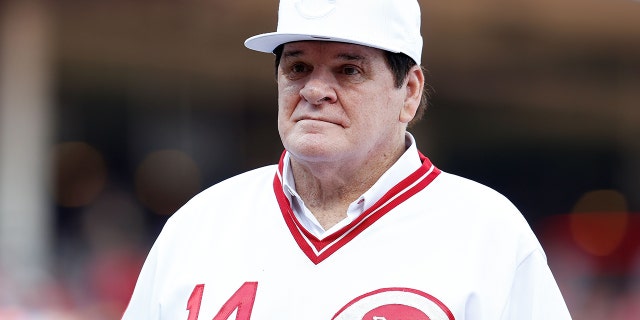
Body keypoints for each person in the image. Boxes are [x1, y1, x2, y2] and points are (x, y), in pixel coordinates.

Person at [122, 0, 572, 319]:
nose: (315, 90)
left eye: (348, 70)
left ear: (409, 92)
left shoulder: (487, 230)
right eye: (297, 67)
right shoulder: (200, 224)